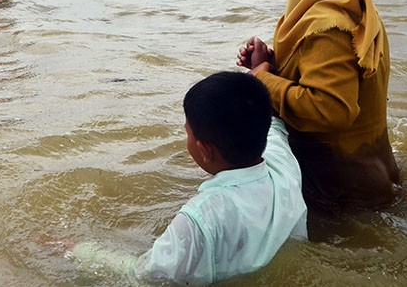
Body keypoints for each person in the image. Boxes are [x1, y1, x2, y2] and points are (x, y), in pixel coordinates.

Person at [67, 71, 307, 284]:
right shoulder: (283, 162)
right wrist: (262, 68)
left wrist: (78, 250)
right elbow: (274, 125)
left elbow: (145, 276)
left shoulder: (201, 216)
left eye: (187, 132)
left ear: (204, 150)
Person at [236, 0, 400, 213]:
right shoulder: (359, 13)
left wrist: (261, 77)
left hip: (338, 190)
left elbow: (330, 110)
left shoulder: (326, 28)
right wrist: (276, 65)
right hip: (373, 175)